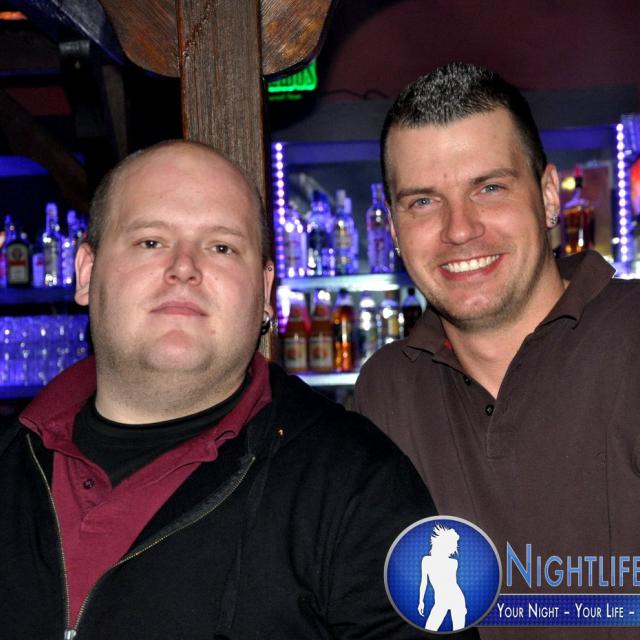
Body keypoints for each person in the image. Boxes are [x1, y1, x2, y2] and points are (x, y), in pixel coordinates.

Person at [0, 140, 474, 639]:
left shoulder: (358, 485)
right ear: (86, 272)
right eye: (150, 242)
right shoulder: (10, 459)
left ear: (265, 293)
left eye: (221, 247)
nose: (184, 267)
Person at [355, 63, 640, 639]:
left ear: (548, 196)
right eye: (423, 201)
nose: (460, 229)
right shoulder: (386, 391)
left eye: (489, 188)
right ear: (393, 229)